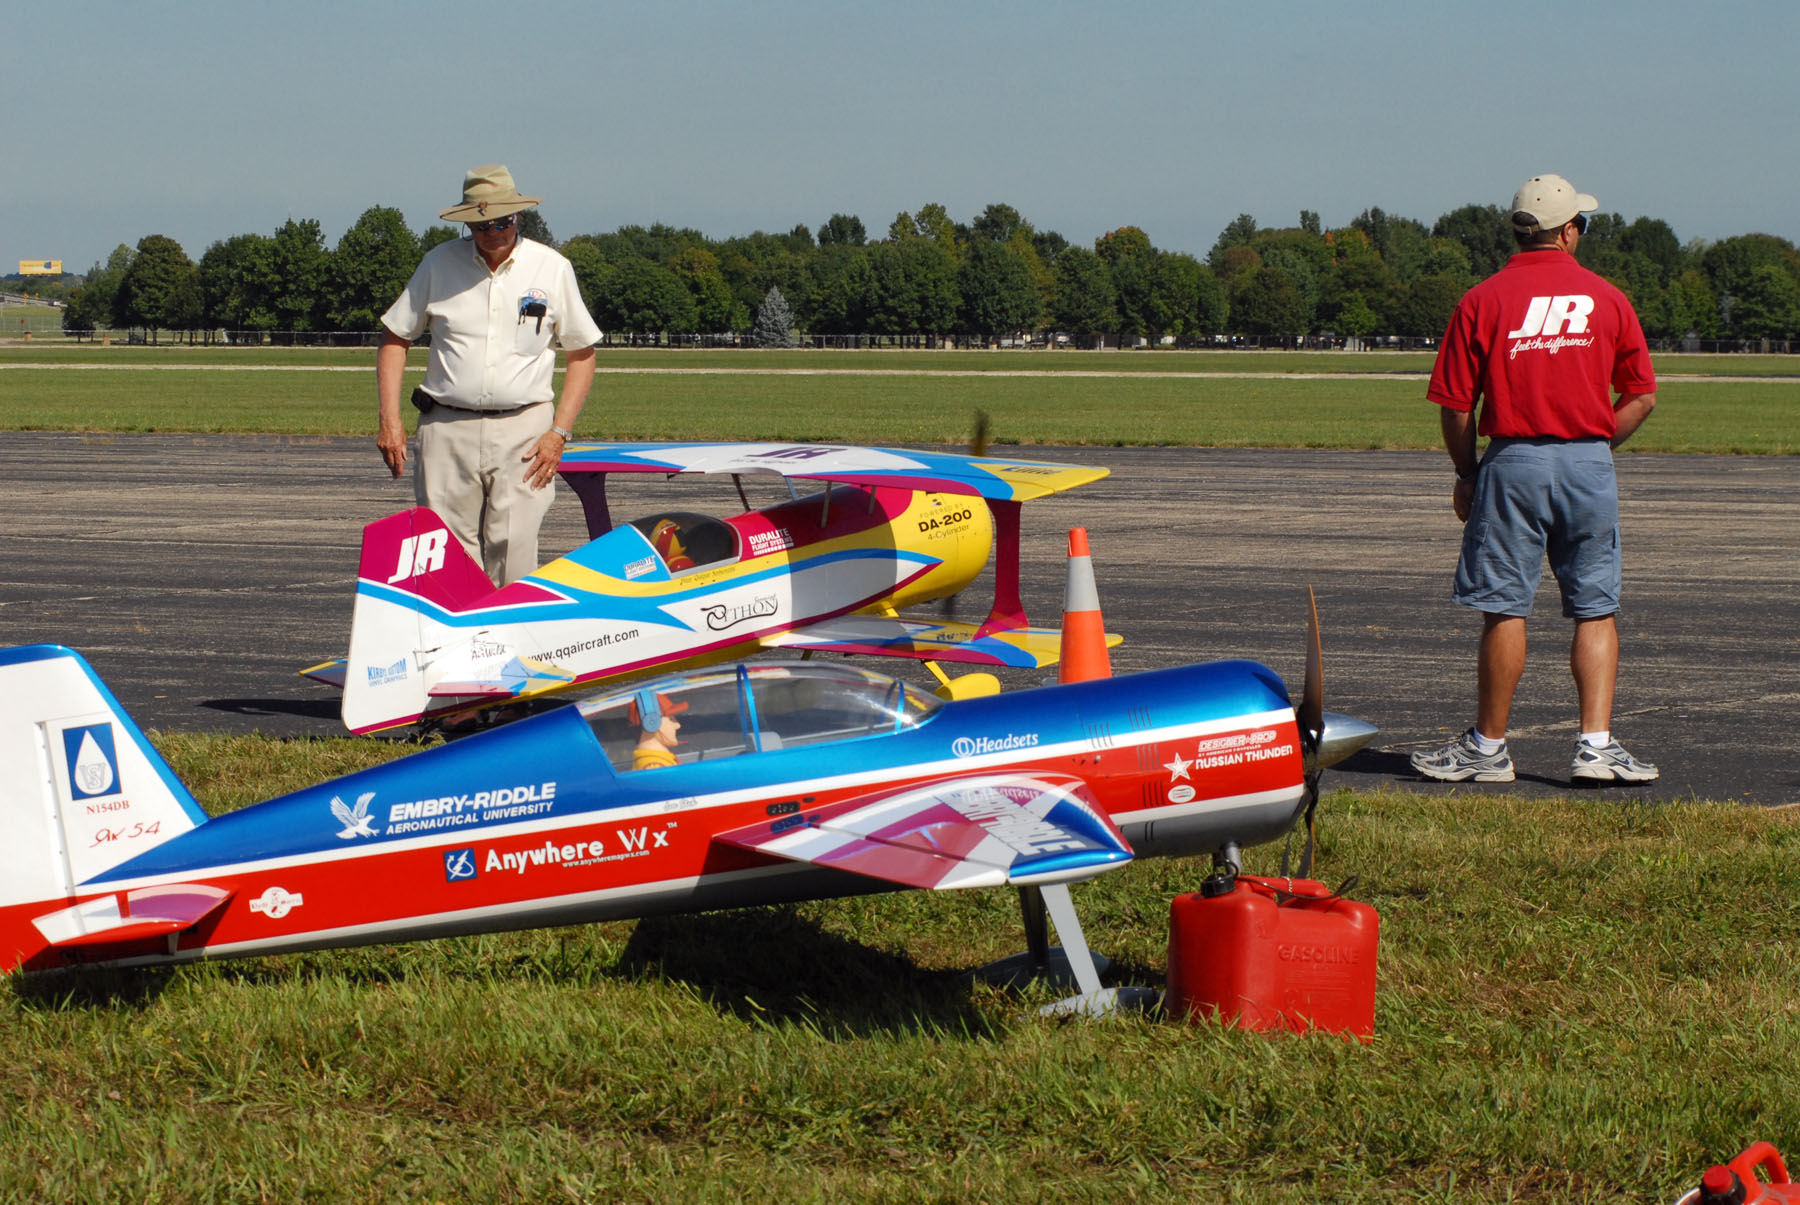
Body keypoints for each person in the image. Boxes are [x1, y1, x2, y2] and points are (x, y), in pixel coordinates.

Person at [1412, 174, 1659, 785]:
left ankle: (1488, 749)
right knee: (1595, 609)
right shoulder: (1607, 297)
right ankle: (1595, 747)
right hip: (1587, 463)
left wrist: (1468, 473)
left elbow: (1454, 406)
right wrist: (1598, 444)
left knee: (1504, 609)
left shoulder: (1482, 299)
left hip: (1513, 461)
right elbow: (1642, 395)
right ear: (1569, 230)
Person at [376, 165, 601, 586]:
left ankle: (508, 648)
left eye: (501, 221)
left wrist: (559, 433)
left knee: (514, 554)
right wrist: (390, 420)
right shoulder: (438, 264)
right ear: (467, 222)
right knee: (445, 557)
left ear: (518, 217)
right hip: (445, 427)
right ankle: (454, 648)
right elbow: (394, 338)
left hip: (526, 431)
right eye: (480, 224)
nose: (492, 231)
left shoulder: (551, 267)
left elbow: (582, 354)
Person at [629, 690, 687, 770]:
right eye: (671, 719)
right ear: (652, 723)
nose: (677, 725)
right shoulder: (655, 767)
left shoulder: (657, 760)